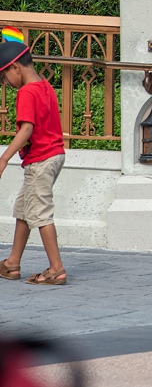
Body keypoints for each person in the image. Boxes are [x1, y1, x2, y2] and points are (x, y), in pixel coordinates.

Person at [0, 28, 67, 285]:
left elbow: (27, 129)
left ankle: (56, 268)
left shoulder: (27, 92)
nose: (6, 83)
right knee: (25, 210)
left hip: (41, 159)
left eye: (5, 77)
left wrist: (4, 158)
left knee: (40, 213)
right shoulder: (45, 86)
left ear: (15, 67)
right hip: (52, 155)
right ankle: (12, 263)